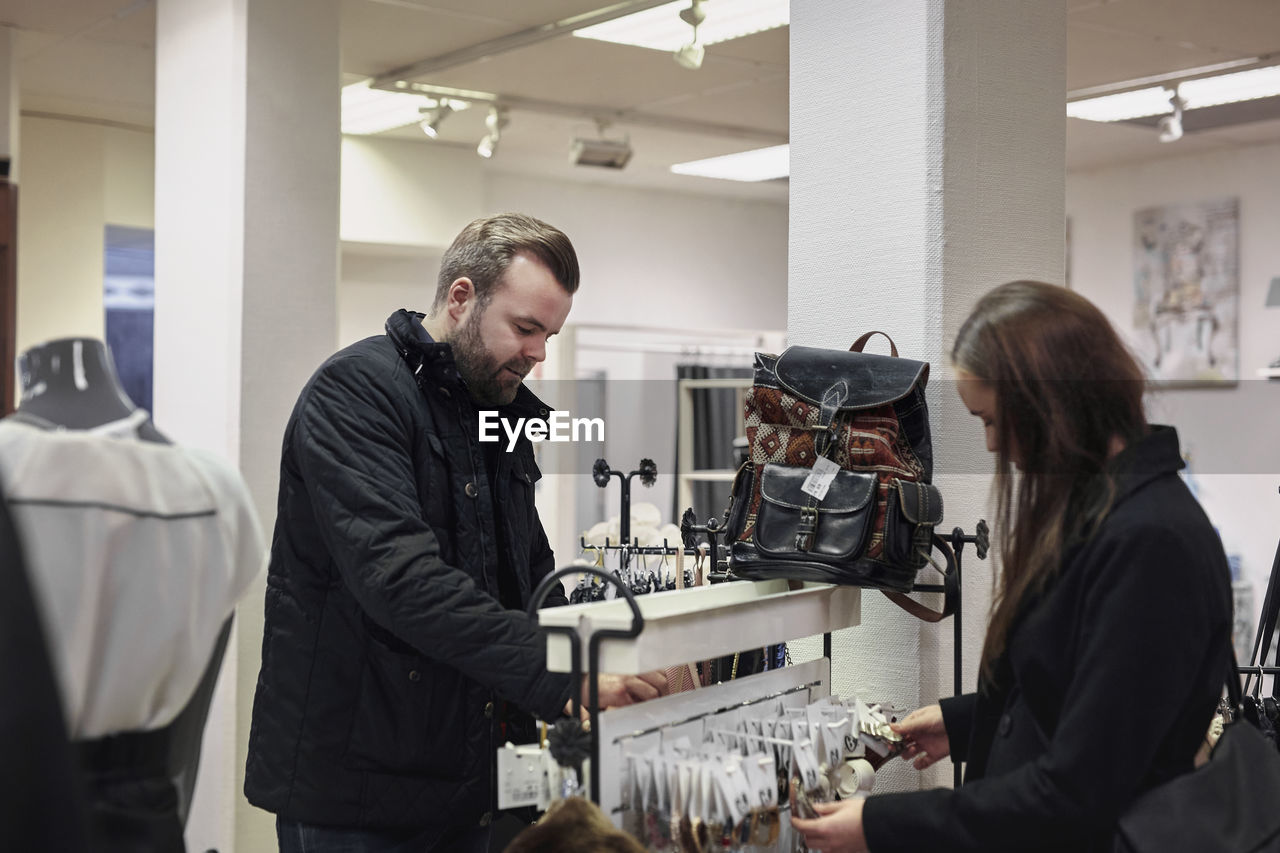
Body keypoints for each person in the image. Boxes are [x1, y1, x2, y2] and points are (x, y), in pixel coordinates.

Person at [245, 213, 665, 852]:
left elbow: (525, 575)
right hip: (357, 797)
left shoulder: (499, 412)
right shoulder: (356, 392)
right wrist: (563, 677)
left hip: (471, 787)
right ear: (461, 297)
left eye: (550, 334)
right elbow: (402, 579)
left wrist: (598, 661)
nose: (539, 353)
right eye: (525, 328)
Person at [790, 281, 1233, 853]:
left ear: (1052, 403)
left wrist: (883, 825)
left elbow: (1081, 789)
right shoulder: (1101, 515)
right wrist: (964, 722)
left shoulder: (1151, 542)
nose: (994, 447)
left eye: (993, 421)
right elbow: (1081, 698)